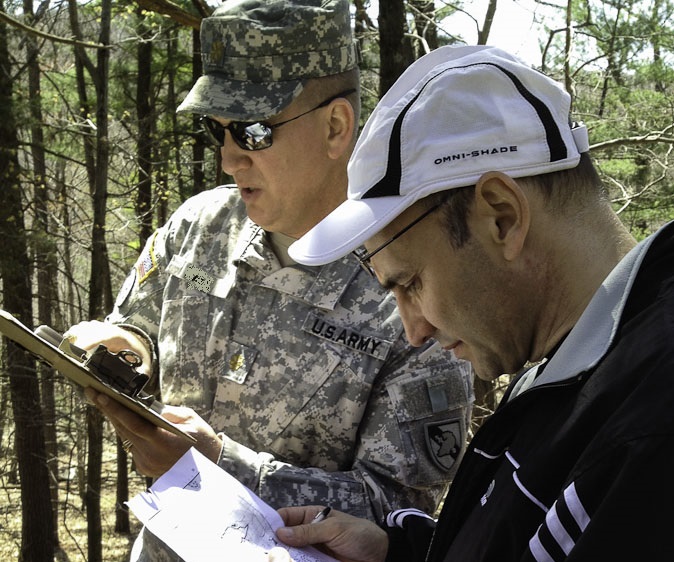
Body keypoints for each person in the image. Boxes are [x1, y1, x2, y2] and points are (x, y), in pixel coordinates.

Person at [67, 2, 474, 561]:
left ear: (336, 127)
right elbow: (137, 322)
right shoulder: (197, 226)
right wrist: (127, 348)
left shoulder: (413, 283)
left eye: (254, 132)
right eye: (218, 129)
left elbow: (399, 512)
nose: (230, 157)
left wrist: (219, 466)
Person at [267, 44, 674, 561]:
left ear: (501, 216)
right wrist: (401, 554)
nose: (413, 330)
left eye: (410, 283)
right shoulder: (576, 364)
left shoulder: (650, 423)